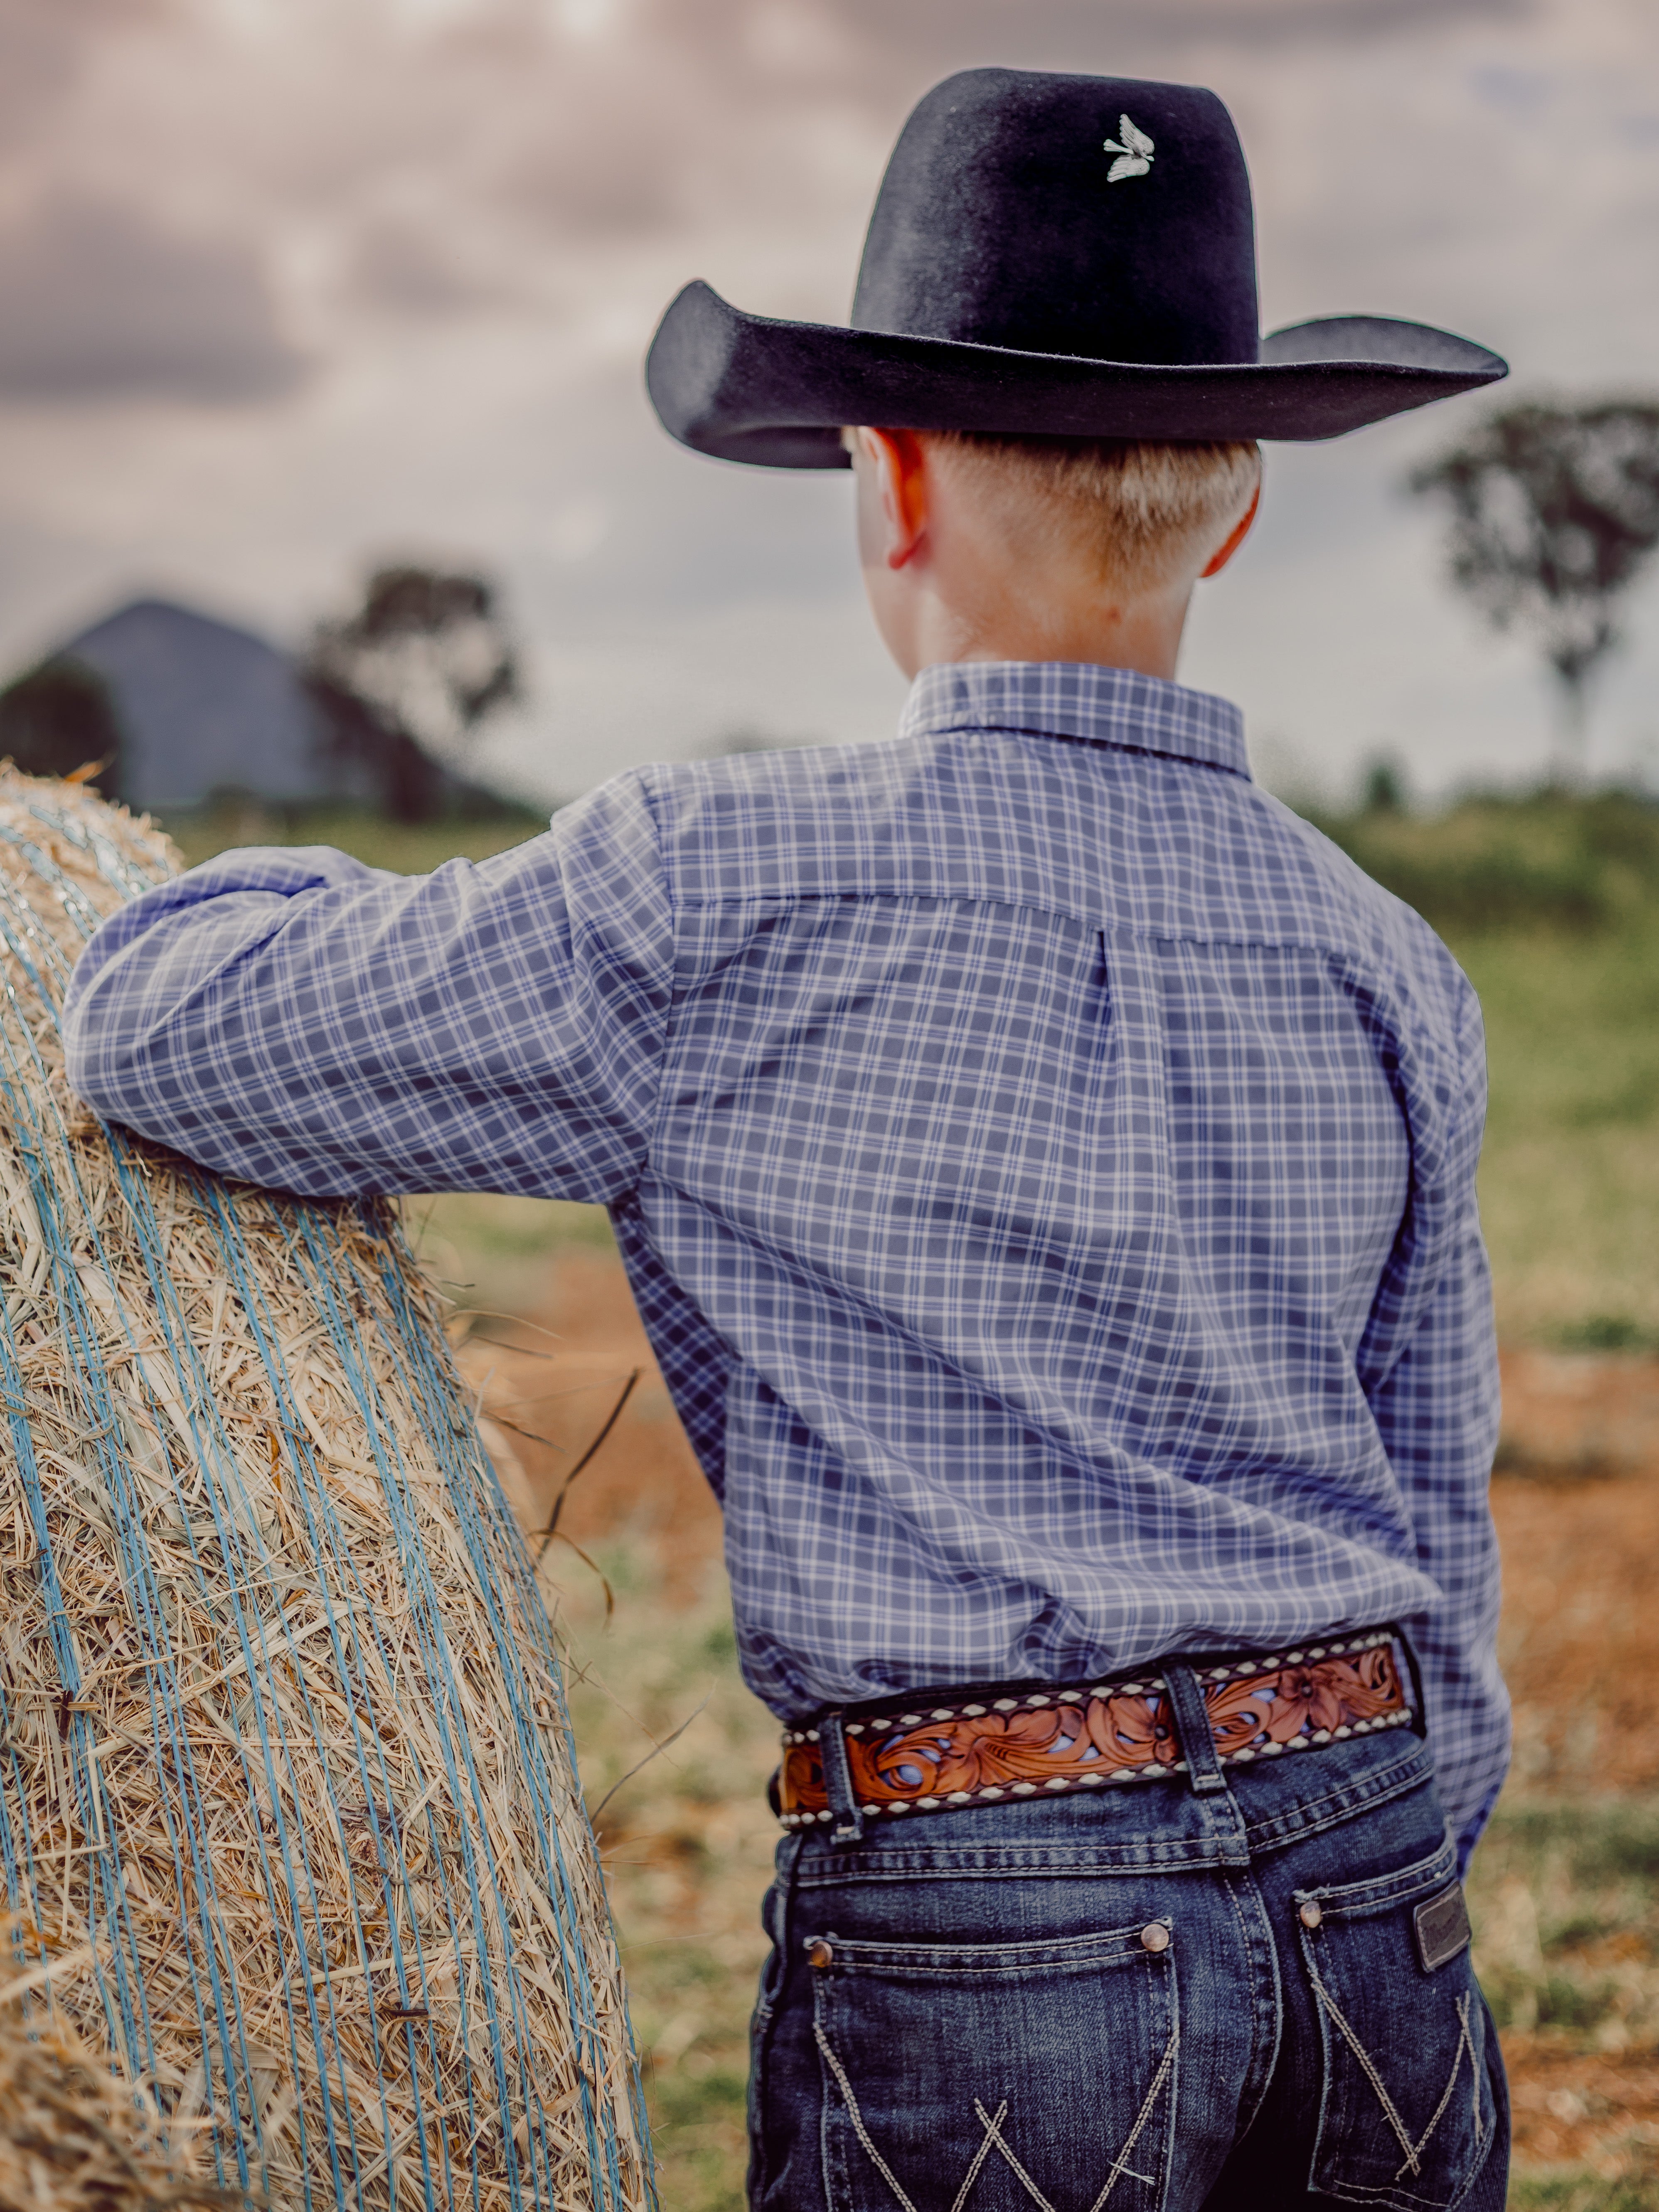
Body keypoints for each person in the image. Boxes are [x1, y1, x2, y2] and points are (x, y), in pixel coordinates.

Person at [64, 67, 1512, 2212]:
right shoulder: (1380, 955)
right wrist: (1370, 1844)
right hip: (1373, 1879)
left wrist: (243, 892)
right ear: (1233, 508)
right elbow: (1445, 1516)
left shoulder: (713, 887)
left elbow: (157, 1038)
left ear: (889, 486)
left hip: (982, 1903)